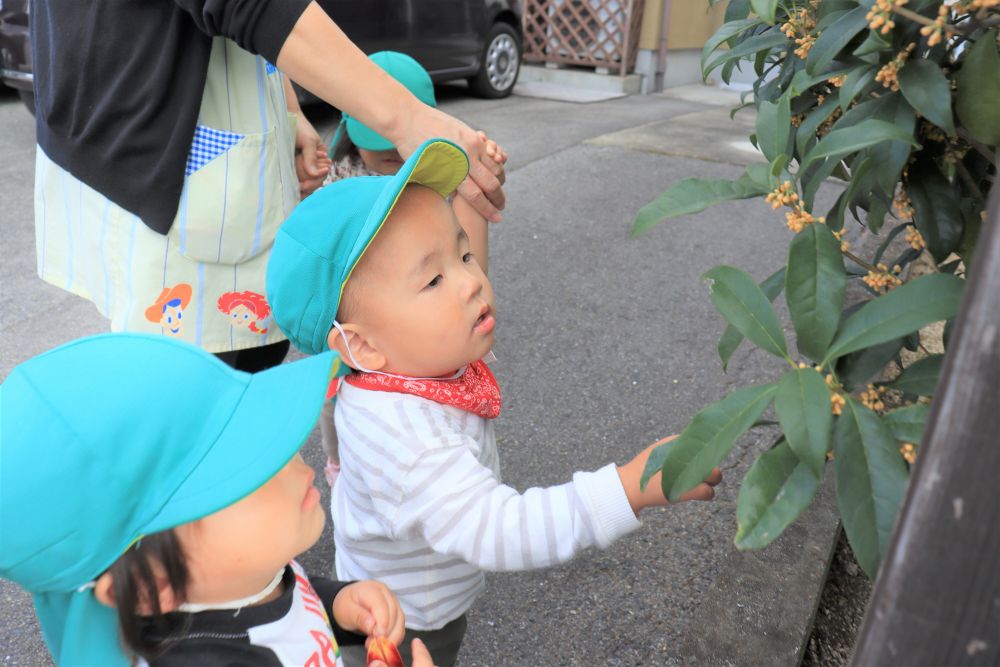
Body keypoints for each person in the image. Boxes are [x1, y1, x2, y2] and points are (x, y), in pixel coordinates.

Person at [264, 139, 723, 667]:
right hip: (408, 620)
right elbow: (501, 528)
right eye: (433, 279)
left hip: (397, 581)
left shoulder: (389, 366)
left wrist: (345, 473)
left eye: (462, 255)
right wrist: (629, 488)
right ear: (362, 345)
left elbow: (334, 421)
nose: (471, 282)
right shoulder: (405, 435)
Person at [30, 0, 505, 374]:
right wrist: (407, 117)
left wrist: (289, 109)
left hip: (162, 129)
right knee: (199, 391)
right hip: (161, 154)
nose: (471, 285)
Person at [0, 333, 439, 667]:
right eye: (245, 475)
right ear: (155, 587)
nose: (295, 461)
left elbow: (282, 592)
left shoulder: (234, 578)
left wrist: (336, 606)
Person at [313, 50, 507, 488]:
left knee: (442, 415)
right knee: (337, 402)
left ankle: (463, 480)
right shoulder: (337, 180)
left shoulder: (434, 180)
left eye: (399, 147)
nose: (391, 154)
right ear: (348, 126)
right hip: (355, 329)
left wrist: (475, 177)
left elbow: (472, 258)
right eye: (375, 142)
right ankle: (342, 467)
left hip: (416, 334)